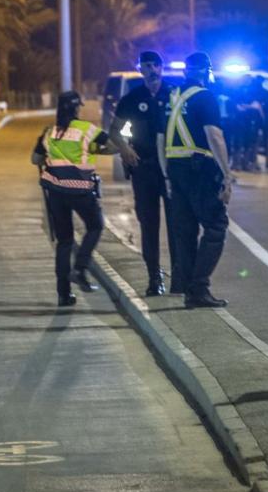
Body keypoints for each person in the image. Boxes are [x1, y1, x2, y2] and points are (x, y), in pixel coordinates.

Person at [159, 52, 233, 309]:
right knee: (216, 225)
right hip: (198, 168)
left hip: (175, 168)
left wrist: (166, 173)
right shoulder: (205, 97)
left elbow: (160, 140)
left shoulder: (170, 98)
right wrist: (227, 174)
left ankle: (187, 287)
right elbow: (214, 135)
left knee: (185, 231)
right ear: (205, 71)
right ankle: (199, 287)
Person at [32, 91, 116, 306]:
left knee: (65, 241)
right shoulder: (87, 129)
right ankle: (80, 268)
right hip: (80, 189)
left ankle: (63, 294)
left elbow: (35, 159)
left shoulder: (49, 132)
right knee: (96, 226)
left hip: (56, 192)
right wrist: (96, 149)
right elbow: (114, 145)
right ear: (77, 108)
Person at [108, 51, 178, 296]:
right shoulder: (131, 98)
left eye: (155, 65)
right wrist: (125, 149)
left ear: (161, 67)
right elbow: (114, 131)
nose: (152, 70)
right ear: (141, 69)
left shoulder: (174, 94)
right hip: (144, 168)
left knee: (176, 224)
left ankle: (178, 278)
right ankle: (154, 277)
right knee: (149, 225)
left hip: (170, 169)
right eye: (146, 66)